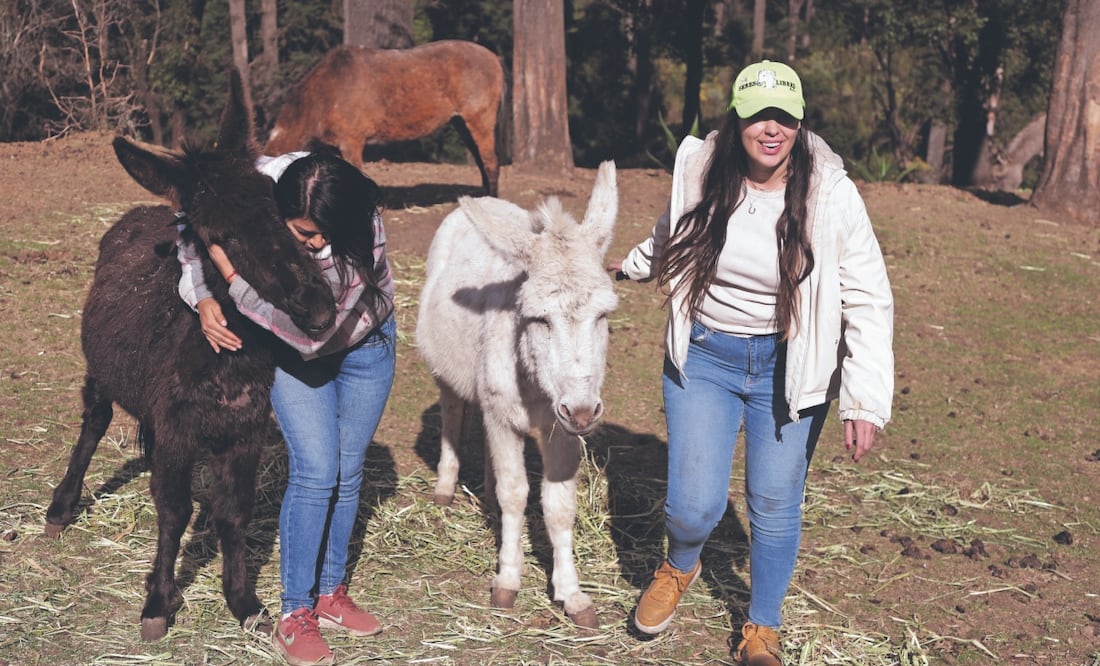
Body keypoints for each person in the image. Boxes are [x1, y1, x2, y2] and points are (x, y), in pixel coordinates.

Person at [609, 60, 893, 665]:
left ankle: (762, 627)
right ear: (735, 117)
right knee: (693, 506)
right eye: (759, 115)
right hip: (706, 359)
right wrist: (630, 266)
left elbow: (868, 296)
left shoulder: (831, 193)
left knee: (773, 501)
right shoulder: (701, 168)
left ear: (800, 121)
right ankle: (679, 565)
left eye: (785, 117)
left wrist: (865, 400)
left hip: (789, 368)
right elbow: (672, 232)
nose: (772, 129)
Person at [177, 151, 396, 666]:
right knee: (317, 471)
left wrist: (232, 280)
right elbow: (192, 218)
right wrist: (201, 293)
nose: (316, 244)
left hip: (358, 343)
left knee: (348, 469)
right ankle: (295, 612)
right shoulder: (265, 185)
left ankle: (330, 592)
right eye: (304, 234)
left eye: (325, 235)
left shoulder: (363, 227)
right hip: (294, 351)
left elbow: (309, 335)